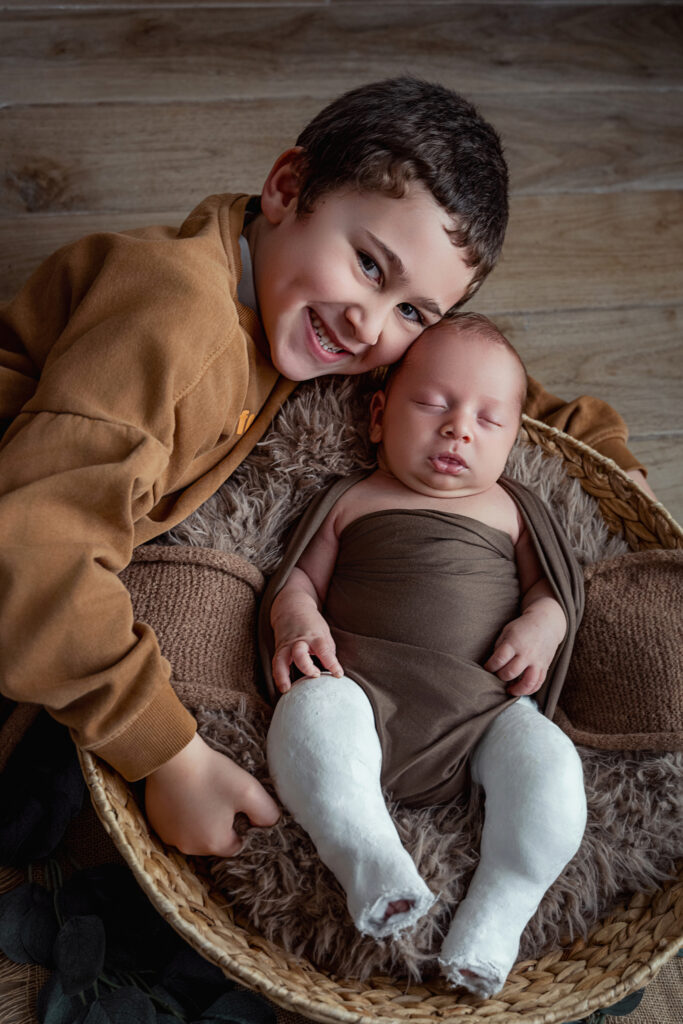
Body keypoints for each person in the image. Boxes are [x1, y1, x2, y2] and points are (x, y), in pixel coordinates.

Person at [0, 77, 646, 862]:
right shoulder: (173, 322)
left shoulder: (308, 302)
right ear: (286, 187)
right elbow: (32, 555)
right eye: (370, 266)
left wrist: (602, 451)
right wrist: (169, 756)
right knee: (58, 832)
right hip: (26, 559)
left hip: (59, 558)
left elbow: (473, 378)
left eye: (413, 311)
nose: (371, 325)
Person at [260, 314, 587, 997]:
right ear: (378, 416)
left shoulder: (513, 510)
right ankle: (371, 862)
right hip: (360, 694)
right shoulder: (350, 499)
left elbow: (555, 591)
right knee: (309, 720)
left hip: (485, 718)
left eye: (488, 420)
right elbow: (295, 578)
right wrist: (296, 618)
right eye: (434, 404)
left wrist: (542, 626)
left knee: (552, 777)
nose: (457, 429)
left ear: (512, 441)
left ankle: (498, 911)